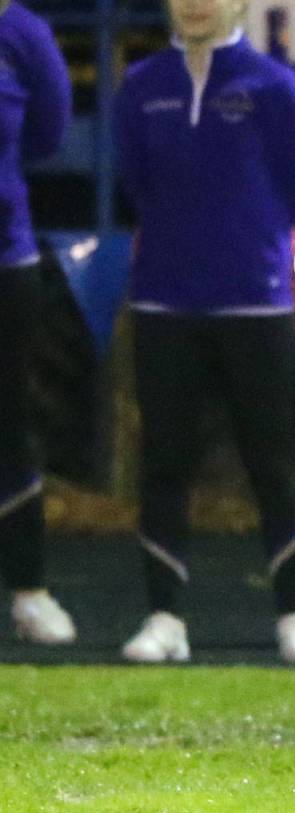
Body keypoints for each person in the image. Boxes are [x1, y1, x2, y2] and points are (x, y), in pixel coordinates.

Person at [113, 0, 295, 663]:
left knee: (271, 462)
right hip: (164, 303)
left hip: (255, 305)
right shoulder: (141, 86)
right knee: (164, 463)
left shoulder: (274, 86)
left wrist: (245, 244)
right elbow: (134, 183)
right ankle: (164, 620)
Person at [0, 0, 76, 644]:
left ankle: (29, 589)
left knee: (9, 423)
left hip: (5, 260)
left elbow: (47, 134)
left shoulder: (23, 33)